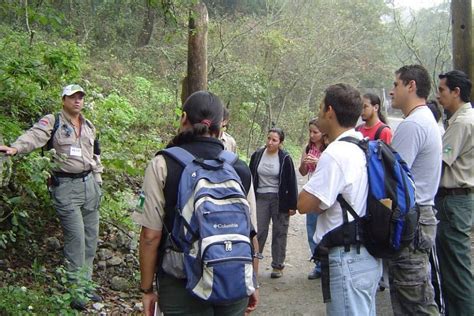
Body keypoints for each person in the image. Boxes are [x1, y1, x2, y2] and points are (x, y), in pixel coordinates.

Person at [132, 91, 259, 316]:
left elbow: (150, 236)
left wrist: (146, 289)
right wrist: (253, 281)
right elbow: (250, 233)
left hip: (181, 283)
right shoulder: (238, 168)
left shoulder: (163, 163)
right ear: (221, 126)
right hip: (233, 277)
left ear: (183, 118)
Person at [0, 84, 103, 310]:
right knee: (76, 238)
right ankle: (76, 290)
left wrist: (98, 183)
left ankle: (85, 285)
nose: (77, 101)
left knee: (90, 238)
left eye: (80, 97)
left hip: (89, 186)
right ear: (63, 100)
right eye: (72, 97)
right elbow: (34, 136)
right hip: (65, 187)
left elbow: (95, 155)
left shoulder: (88, 125)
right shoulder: (53, 121)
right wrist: (15, 148)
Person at [298, 83, 382, 315]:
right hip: (367, 256)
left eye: (320, 106)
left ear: (330, 112)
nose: (318, 111)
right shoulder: (363, 145)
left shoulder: (336, 154)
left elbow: (304, 204)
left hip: (347, 259)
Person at [388, 64, 442, 315]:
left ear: (411, 86)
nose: (391, 91)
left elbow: (393, 178)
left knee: (415, 299)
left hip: (413, 217)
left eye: (396, 84)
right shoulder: (424, 119)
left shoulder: (413, 125)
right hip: (421, 214)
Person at [435, 70, 474, 316]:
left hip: (454, 200)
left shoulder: (462, 122)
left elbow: (440, 161)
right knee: (455, 267)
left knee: (456, 271)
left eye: (442, 90)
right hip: (459, 201)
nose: (438, 96)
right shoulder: (464, 118)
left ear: (456, 92)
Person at [249, 127, 297, 279]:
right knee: (258, 231)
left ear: (280, 143)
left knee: (279, 232)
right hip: (260, 197)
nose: (270, 142)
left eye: (274, 140)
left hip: (279, 198)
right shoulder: (257, 155)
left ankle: (277, 265)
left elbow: (291, 182)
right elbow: (250, 177)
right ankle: (252, 263)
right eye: (268, 138)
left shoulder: (285, 158)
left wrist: (292, 205)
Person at [298, 118, 325, 280]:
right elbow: (302, 172)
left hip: (325, 194)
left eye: (316, 132)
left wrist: (319, 161)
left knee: (327, 229)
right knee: (312, 229)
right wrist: (304, 162)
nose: (312, 135)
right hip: (311, 192)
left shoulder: (330, 148)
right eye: (310, 132)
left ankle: (328, 263)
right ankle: (318, 264)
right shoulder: (309, 148)